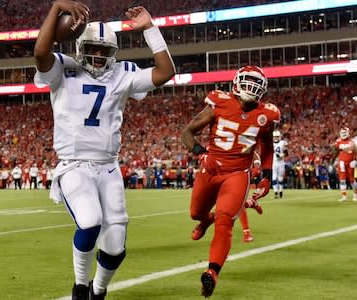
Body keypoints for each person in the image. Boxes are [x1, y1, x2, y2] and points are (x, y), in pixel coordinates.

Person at [33, 1, 175, 299]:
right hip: (73, 165)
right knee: (90, 221)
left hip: (109, 167)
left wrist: (150, 28)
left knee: (116, 245)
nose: (98, 57)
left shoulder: (123, 74)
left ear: (114, 54)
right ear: (79, 47)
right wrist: (56, 7)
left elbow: (165, 73)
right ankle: (81, 286)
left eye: (104, 51)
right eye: (93, 50)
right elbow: (40, 53)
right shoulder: (62, 69)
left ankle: (99, 290)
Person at [181, 65, 280, 297]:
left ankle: (212, 272)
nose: (251, 88)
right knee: (196, 213)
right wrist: (200, 151)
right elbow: (187, 132)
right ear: (235, 83)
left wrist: (266, 176)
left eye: (256, 84)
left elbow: (267, 147)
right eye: (247, 82)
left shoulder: (267, 115)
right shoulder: (219, 102)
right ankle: (207, 220)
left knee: (225, 222)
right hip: (211, 168)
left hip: (238, 174)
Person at [334, 127, 357, 201]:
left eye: (345, 133)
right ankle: (344, 196)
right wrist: (336, 160)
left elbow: (356, 151)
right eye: (342, 133)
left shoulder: (353, 141)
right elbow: (335, 151)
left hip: (351, 162)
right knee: (342, 180)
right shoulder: (338, 141)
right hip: (342, 163)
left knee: (352, 180)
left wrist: (356, 160)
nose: (343, 134)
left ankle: (355, 195)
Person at [272, 130, 288, 198]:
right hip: (274, 163)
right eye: (275, 137)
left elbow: (286, 153)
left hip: (281, 163)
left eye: (277, 137)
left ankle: (281, 191)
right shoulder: (271, 144)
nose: (276, 138)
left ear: (279, 137)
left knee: (280, 178)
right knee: (274, 178)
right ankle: (275, 192)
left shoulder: (282, 143)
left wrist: (281, 155)